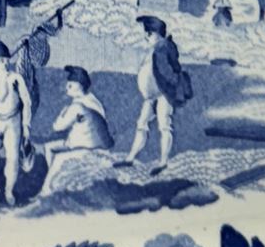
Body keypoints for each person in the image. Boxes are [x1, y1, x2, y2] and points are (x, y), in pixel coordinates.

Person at [128, 13, 192, 167]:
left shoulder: (162, 48)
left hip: (163, 94)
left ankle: (163, 161)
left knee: (163, 126)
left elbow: (167, 72)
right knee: (142, 124)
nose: (146, 37)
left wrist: (172, 85)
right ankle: (130, 158)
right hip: (152, 96)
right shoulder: (156, 49)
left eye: (149, 33)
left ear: (158, 33)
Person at [0, 39, 36, 204]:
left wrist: (26, 125)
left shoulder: (16, 78)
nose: (4, 62)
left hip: (12, 122)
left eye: (5, 59)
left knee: (12, 157)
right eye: (0, 60)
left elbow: (26, 102)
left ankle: (9, 191)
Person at [47, 65, 113, 155]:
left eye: (70, 85)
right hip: (101, 145)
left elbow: (57, 127)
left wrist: (63, 112)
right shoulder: (94, 101)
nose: (66, 87)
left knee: (48, 147)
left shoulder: (76, 106)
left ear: (79, 86)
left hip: (82, 145)